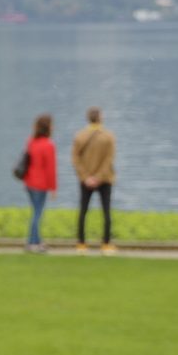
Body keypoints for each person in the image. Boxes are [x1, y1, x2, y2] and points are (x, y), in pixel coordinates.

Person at [72, 107, 117, 253]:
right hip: (105, 179)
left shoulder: (79, 136)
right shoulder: (108, 137)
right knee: (106, 211)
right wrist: (99, 177)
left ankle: (81, 243)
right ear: (100, 118)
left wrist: (86, 177)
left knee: (83, 211)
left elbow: (75, 159)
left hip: (86, 180)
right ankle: (106, 243)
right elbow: (109, 159)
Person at [18, 114, 57, 251]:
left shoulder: (31, 142)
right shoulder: (48, 145)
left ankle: (36, 240)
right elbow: (50, 169)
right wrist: (53, 188)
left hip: (29, 182)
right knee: (37, 214)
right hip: (40, 185)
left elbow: (27, 162)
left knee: (35, 212)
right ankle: (32, 243)